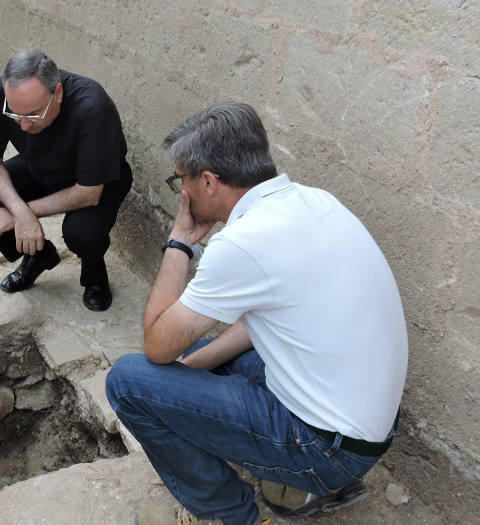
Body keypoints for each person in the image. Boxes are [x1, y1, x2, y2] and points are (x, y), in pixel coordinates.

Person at [106, 103, 408, 525]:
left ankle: (228, 516)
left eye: (181, 181)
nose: (182, 194)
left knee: (129, 382)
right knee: (201, 355)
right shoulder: (315, 201)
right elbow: (265, 323)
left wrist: (179, 241)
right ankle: (299, 487)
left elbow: (157, 345)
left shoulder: (241, 243)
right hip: (366, 432)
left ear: (207, 182)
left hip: (328, 450)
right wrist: (192, 368)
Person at [0, 49, 132, 311]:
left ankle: (94, 272)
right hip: (41, 166)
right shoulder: (3, 92)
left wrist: (23, 213)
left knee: (82, 234)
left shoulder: (93, 107)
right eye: (16, 115)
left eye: (32, 115)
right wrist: (20, 213)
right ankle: (38, 255)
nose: (24, 126)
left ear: (57, 93)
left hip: (97, 181)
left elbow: (88, 193)